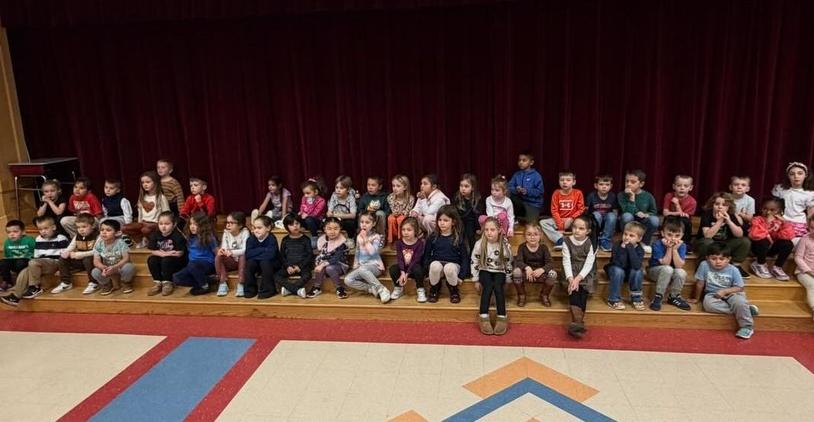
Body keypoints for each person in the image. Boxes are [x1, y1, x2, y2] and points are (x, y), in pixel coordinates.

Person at [692, 244, 760, 339]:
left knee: (739, 302)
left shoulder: (734, 269)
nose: (718, 262)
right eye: (714, 258)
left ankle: (747, 326)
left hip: (732, 292)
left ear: (728, 259)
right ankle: (745, 310)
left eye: (722, 259)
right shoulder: (704, 265)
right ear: (707, 258)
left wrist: (724, 291)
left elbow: (740, 288)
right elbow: (700, 283)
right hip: (712, 294)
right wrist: (696, 298)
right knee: (708, 306)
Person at [1, 215, 70, 307]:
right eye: (40, 229)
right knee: (25, 271)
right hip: (41, 263)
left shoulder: (61, 238)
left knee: (33, 262)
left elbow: (65, 255)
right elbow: (36, 254)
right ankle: (16, 297)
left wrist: (61, 269)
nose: (43, 231)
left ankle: (35, 287)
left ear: (53, 227)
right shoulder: (38, 239)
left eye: (46, 228)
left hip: (55, 262)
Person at [693, 192, 751, 279]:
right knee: (707, 242)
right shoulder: (707, 214)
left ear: (728, 207)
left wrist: (729, 222)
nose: (720, 207)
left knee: (744, 241)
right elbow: (707, 235)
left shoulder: (730, 215)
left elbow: (740, 234)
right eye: (717, 204)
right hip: (707, 243)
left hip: (724, 245)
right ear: (712, 205)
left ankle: (736, 266)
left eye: (724, 205)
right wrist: (719, 221)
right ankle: (703, 266)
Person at [472, 217, 513, 335]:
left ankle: (502, 317)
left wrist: (508, 278)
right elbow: (474, 261)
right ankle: (484, 317)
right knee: (488, 286)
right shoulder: (479, 244)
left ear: (499, 230)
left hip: (499, 271)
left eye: (492, 230)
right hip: (485, 270)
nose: (489, 232)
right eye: (486, 230)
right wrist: (475, 279)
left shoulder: (505, 245)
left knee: (498, 288)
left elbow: (508, 262)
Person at [422, 205, 469, 303]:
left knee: (449, 268)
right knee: (435, 266)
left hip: (453, 266)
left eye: (446, 220)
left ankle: (453, 290)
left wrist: (461, 276)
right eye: (439, 220)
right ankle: (434, 288)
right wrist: (427, 272)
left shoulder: (458, 237)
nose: (442, 223)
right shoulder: (433, 237)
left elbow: (465, 258)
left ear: (453, 222)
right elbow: (426, 255)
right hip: (438, 265)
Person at [561, 215, 596, 338]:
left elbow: (589, 263)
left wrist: (578, 279)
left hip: (584, 273)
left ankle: (577, 323)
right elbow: (566, 261)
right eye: (575, 227)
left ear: (588, 231)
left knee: (583, 292)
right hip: (571, 270)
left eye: (581, 228)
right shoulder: (566, 241)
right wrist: (571, 279)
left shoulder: (589, 242)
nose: (577, 230)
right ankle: (578, 323)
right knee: (574, 290)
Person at [344, 212, 390, 303]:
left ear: (373, 224)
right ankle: (371, 288)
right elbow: (357, 251)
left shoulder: (377, 236)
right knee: (347, 280)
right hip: (362, 266)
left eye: (367, 222)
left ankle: (382, 289)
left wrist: (365, 239)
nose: (364, 224)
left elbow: (373, 252)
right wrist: (355, 264)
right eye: (362, 222)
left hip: (375, 266)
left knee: (362, 269)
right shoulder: (358, 237)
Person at [648, 217, 691, 311]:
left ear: (682, 235)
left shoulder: (682, 245)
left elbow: (679, 266)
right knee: (668, 269)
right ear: (663, 233)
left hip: (671, 272)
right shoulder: (657, 244)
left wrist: (675, 249)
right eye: (669, 235)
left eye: (677, 235)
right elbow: (665, 263)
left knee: (681, 272)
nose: (673, 238)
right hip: (655, 272)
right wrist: (669, 248)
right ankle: (658, 296)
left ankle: (674, 296)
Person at [170, 212, 218, 296]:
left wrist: (219, 269)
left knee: (192, 265)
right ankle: (208, 280)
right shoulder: (189, 237)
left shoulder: (209, 237)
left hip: (206, 263)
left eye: (195, 224)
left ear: (203, 226)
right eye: (191, 224)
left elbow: (216, 252)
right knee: (176, 278)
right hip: (192, 265)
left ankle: (204, 286)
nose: (192, 226)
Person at [52, 213, 98, 294]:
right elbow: (71, 246)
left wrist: (78, 254)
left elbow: (96, 251)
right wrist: (66, 252)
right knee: (63, 259)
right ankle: (66, 283)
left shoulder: (98, 236)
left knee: (88, 259)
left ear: (92, 226)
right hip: (80, 260)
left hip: (93, 261)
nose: (81, 229)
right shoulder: (77, 236)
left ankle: (93, 283)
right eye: (78, 227)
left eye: (84, 227)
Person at [748, 198, 794, 280]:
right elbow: (755, 235)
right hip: (758, 249)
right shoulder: (757, 219)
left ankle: (777, 267)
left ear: (779, 211)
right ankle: (759, 264)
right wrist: (767, 224)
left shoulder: (780, 221)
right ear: (761, 208)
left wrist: (784, 224)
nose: (768, 212)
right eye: (765, 209)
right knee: (764, 241)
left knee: (788, 243)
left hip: (771, 249)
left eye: (772, 210)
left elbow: (788, 236)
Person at [512, 224, 557, 307]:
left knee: (553, 273)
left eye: (535, 234)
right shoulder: (522, 247)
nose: (532, 237)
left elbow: (550, 263)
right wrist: (527, 267)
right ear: (524, 236)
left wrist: (542, 269)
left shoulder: (544, 247)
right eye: (529, 234)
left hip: (540, 274)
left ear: (540, 236)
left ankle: (544, 295)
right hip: (526, 274)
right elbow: (518, 261)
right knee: (516, 272)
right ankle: (522, 295)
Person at [122, 171, 171, 247]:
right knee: (124, 228)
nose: (145, 184)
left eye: (148, 182)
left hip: (156, 224)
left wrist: (163, 225)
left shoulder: (161, 197)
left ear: (155, 182)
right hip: (144, 223)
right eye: (143, 182)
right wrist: (138, 225)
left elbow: (167, 213)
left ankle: (152, 242)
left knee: (145, 229)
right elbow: (140, 214)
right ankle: (140, 241)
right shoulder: (142, 197)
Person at [605, 222, 646, 311]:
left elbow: (636, 265)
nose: (627, 237)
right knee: (618, 271)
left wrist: (630, 248)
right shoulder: (616, 245)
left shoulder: (640, 250)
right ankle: (613, 299)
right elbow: (620, 264)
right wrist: (624, 249)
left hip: (629, 272)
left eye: (631, 236)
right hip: (616, 271)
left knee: (638, 271)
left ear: (639, 239)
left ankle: (636, 298)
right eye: (625, 234)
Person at [540, 171, 586, 250]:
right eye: (562, 180)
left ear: (573, 182)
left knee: (583, 223)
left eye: (568, 180)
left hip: (573, 220)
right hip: (560, 220)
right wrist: (561, 226)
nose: (564, 182)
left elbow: (581, 209)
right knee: (543, 222)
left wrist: (571, 218)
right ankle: (560, 240)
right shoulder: (556, 193)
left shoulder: (578, 193)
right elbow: (554, 210)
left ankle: (577, 243)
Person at [146, 211, 187, 296]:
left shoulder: (177, 236)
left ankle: (168, 283)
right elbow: (153, 251)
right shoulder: (155, 234)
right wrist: (164, 254)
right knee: (151, 259)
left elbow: (179, 253)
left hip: (177, 262)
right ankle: (158, 282)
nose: (163, 226)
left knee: (166, 260)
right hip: (165, 256)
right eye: (161, 224)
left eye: (167, 224)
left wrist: (163, 254)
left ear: (174, 224)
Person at [771, 162, 814, 244]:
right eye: (792, 174)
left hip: (798, 224)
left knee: (797, 242)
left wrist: (811, 230)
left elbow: (811, 214)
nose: (796, 176)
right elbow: (773, 207)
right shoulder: (781, 189)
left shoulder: (809, 193)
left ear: (806, 175)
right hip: (781, 221)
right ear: (788, 176)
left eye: (800, 173)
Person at [617, 169, 659, 253]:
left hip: (642, 221)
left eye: (633, 182)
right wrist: (632, 198)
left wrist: (647, 214)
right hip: (629, 221)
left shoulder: (648, 196)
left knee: (654, 220)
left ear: (641, 184)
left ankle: (644, 243)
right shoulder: (621, 195)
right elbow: (626, 211)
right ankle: (627, 241)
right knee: (627, 216)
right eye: (627, 181)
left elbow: (653, 211)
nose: (628, 184)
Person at [91, 219, 136, 296]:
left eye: (108, 230)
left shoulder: (120, 243)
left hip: (119, 267)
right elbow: (96, 261)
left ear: (117, 233)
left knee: (129, 267)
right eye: (102, 230)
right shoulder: (98, 244)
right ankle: (107, 284)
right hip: (107, 268)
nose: (104, 232)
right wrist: (103, 267)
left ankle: (126, 283)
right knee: (95, 271)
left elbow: (126, 258)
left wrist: (115, 267)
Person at [309, 217, 349, 299]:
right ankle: (317, 287)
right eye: (329, 229)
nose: (332, 231)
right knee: (321, 267)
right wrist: (318, 264)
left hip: (339, 265)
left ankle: (339, 288)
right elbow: (321, 255)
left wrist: (322, 265)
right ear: (324, 229)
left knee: (329, 268)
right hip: (325, 264)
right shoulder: (322, 240)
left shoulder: (341, 242)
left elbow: (336, 258)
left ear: (340, 229)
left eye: (336, 228)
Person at [276, 214, 314, 299]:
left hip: (302, 266)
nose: (295, 226)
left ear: (300, 224)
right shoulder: (285, 240)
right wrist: (287, 266)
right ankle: (297, 290)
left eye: (297, 223)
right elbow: (282, 255)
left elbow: (309, 255)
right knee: (276, 276)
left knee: (308, 275)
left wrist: (299, 266)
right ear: (286, 227)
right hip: (289, 266)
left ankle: (289, 290)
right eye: (291, 224)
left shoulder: (305, 239)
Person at [388, 217, 426, 302]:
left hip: (414, 269)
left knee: (418, 269)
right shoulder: (399, 243)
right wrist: (402, 272)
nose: (405, 232)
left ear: (415, 231)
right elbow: (400, 258)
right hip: (403, 269)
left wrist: (407, 274)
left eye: (409, 230)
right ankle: (398, 288)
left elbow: (416, 260)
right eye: (403, 230)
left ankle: (420, 289)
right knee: (393, 269)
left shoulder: (420, 243)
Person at [243, 215, 279, 299]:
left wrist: (256, 252)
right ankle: (250, 290)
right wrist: (263, 250)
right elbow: (248, 254)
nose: (256, 230)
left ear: (268, 228)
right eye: (254, 228)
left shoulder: (271, 238)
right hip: (257, 263)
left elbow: (271, 255)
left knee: (265, 262)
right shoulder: (251, 239)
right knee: (250, 263)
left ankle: (268, 290)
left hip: (272, 264)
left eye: (259, 228)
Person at [216, 211, 250, 296]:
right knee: (218, 256)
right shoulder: (226, 232)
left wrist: (232, 252)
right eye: (227, 222)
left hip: (243, 262)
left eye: (232, 223)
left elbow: (245, 250)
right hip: (231, 261)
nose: (228, 225)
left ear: (240, 225)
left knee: (243, 255)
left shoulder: (245, 232)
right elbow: (224, 247)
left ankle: (241, 283)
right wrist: (222, 251)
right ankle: (222, 282)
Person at [508, 151, 544, 223]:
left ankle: (527, 218)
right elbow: (509, 187)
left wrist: (527, 191)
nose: (521, 162)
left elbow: (540, 192)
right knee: (508, 195)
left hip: (532, 204)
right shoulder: (517, 174)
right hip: (520, 203)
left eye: (524, 160)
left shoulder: (536, 176)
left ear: (531, 162)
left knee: (531, 224)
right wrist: (516, 189)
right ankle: (516, 218)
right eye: (519, 160)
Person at [585, 175, 618, 252]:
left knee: (612, 216)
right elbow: (586, 210)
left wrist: (615, 225)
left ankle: (605, 240)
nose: (604, 187)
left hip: (607, 221)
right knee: (596, 214)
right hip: (595, 221)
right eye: (601, 184)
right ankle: (594, 238)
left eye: (607, 185)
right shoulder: (591, 196)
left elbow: (615, 211)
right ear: (596, 185)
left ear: (611, 186)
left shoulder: (612, 196)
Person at [0, 220, 35, 291]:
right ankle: (7, 282)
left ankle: (21, 283)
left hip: (26, 262)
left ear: (23, 232)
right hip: (14, 262)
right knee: (3, 262)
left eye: (15, 232)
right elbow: (7, 257)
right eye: (9, 232)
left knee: (20, 262)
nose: (12, 234)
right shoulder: (7, 242)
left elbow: (35, 253)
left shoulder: (29, 240)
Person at [662, 175, 696, 246]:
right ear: (674, 186)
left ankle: (686, 243)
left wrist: (677, 205)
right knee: (669, 218)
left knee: (685, 221)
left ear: (691, 188)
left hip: (683, 221)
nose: (682, 188)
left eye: (686, 186)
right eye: (679, 185)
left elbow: (685, 217)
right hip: (671, 218)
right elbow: (665, 213)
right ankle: (665, 240)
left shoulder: (692, 201)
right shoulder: (668, 196)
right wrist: (678, 213)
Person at [453, 173, 484, 250]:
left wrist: (478, 227)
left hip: (471, 223)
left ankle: (471, 254)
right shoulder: (456, 198)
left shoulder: (477, 199)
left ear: (472, 188)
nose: (463, 188)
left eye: (466, 186)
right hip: (459, 221)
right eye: (461, 186)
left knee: (470, 233)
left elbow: (478, 215)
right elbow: (454, 213)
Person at [326, 175, 358, 248]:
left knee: (351, 223)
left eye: (341, 188)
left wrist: (336, 215)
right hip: (336, 219)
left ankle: (350, 238)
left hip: (345, 220)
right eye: (336, 187)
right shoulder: (334, 195)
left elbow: (353, 215)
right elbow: (329, 211)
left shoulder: (350, 198)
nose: (338, 190)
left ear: (348, 189)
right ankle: (331, 238)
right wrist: (329, 213)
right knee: (326, 221)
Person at [793, 214, 814, 321]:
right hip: (804, 272)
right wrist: (809, 271)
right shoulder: (805, 239)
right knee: (812, 285)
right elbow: (798, 258)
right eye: (812, 228)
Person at [387, 174, 416, 244]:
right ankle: (392, 239)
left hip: (405, 216)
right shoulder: (390, 197)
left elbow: (407, 212)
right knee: (391, 218)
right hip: (394, 214)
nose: (395, 188)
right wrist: (395, 213)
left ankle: (402, 239)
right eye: (393, 186)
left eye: (398, 186)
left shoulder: (410, 198)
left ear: (405, 187)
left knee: (401, 218)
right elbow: (393, 210)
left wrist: (400, 213)